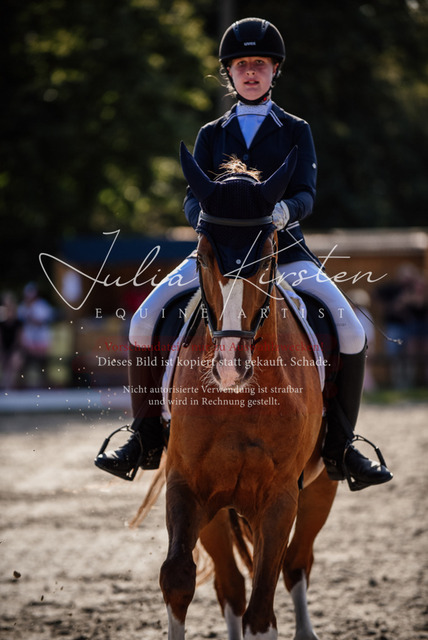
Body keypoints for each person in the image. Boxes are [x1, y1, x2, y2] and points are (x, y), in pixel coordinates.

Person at [95, 17, 392, 490]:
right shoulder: (212, 132)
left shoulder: (295, 129)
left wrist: (283, 211)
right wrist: (204, 218)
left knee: (352, 330)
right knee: (144, 320)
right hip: (216, 255)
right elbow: (192, 198)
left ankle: (341, 445)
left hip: (283, 254)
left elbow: (306, 194)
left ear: (275, 70)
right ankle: (144, 436)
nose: (250, 71)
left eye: (260, 63)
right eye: (241, 64)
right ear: (228, 73)